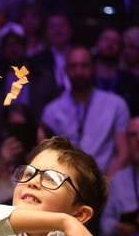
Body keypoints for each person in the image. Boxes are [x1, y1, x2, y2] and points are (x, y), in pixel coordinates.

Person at [42, 46, 129, 176]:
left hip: (106, 182)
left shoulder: (115, 104)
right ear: (65, 70)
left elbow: (124, 153)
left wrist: (103, 184)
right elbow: (46, 155)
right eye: (73, 66)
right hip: (65, 183)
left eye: (84, 66)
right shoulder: (52, 110)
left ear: (93, 68)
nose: (79, 72)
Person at [101, 116, 139, 236]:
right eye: (133, 135)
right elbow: (105, 222)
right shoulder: (118, 180)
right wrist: (117, 227)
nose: (138, 140)